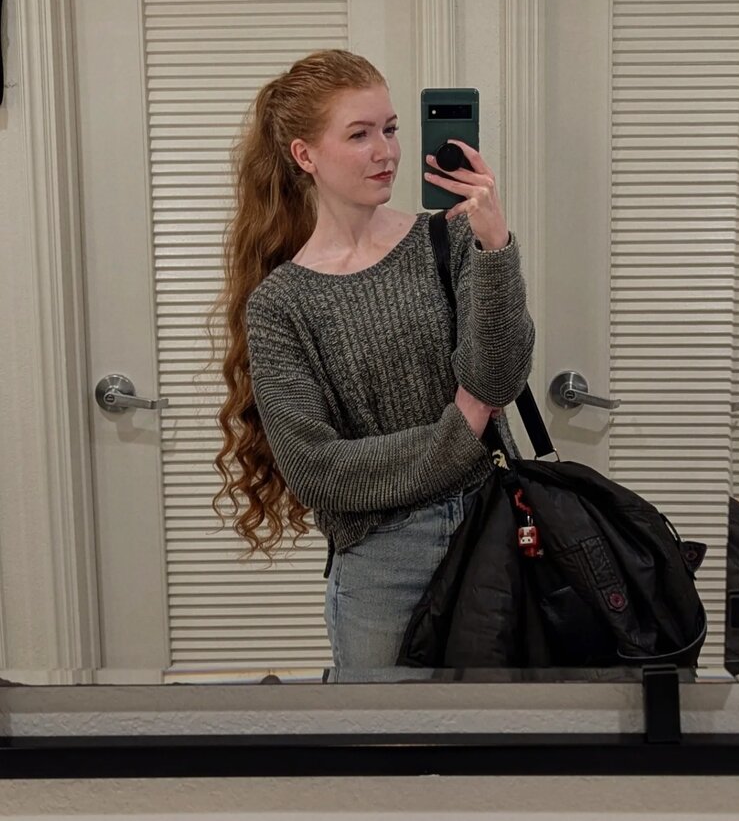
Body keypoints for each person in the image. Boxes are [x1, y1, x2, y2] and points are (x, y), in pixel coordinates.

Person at [210, 48, 535, 671]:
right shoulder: (281, 302)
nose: (386, 152)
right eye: (359, 135)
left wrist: (495, 243)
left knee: (500, 721)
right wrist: (461, 428)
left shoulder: (451, 238)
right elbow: (318, 472)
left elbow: (497, 380)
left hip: (493, 530)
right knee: (385, 728)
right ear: (305, 155)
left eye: (390, 129)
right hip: (382, 559)